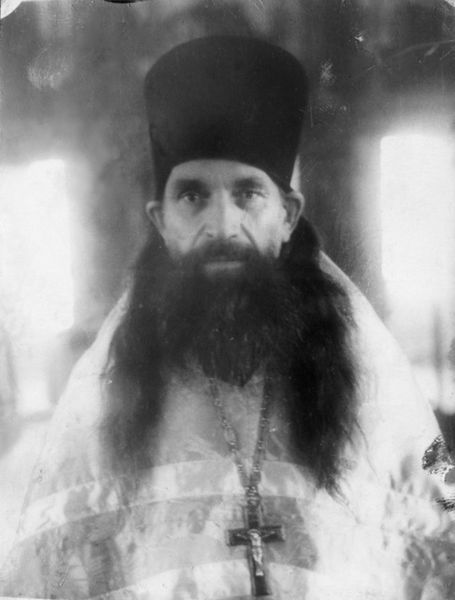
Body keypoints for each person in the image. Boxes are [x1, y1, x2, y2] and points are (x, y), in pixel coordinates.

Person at [1, 36, 454, 600]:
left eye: (248, 194)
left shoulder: (372, 381)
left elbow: (437, 545)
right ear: (161, 222)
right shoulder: (102, 399)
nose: (221, 226)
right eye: (193, 197)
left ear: (287, 216)